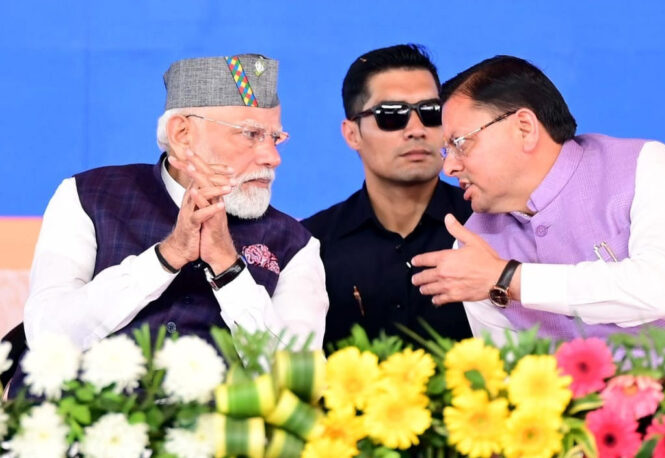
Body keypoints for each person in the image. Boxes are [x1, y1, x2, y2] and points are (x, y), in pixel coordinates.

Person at [412, 55, 665, 344]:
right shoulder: (473, 245)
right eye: (445, 151)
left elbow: (658, 290)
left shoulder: (645, 165)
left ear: (524, 128)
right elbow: (512, 371)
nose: (449, 167)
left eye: (460, 143)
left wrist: (508, 278)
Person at [21, 54, 328, 354]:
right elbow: (46, 337)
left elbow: (298, 373)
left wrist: (227, 266)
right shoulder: (90, 196)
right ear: (182, 135)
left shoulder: (295, 244)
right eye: (251, 134)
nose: (272, 158)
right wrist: (167, 256)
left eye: (275, 138)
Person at [302, 44, 472, 346]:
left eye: (431, 112)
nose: (416, 130)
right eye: (392, 115)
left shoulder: (489, 229)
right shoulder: (311, 246)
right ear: (352, 133)